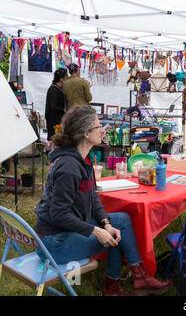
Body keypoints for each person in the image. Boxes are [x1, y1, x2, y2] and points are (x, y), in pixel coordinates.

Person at [33, 106, 171, 296]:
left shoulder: (84, 159)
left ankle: (136, 278)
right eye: (98, 126)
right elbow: (59, 214)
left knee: (120, 221)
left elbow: (93, 197)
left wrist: (105, 223)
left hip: (69, 229)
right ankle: (120, 286)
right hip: (52, 242)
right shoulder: (68, 167)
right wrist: (96, 230)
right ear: (86, 134)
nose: (103, 130)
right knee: (114, 237)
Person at [45, 68, 68, 141]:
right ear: (61, 79)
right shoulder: (53, 90)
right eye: (66, 77)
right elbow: (52, 106)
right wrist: (63, 109)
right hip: (54, 121)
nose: (67, 79)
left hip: (58, 120)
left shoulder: (59, 88)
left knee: (59, 138)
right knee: (56, 139)